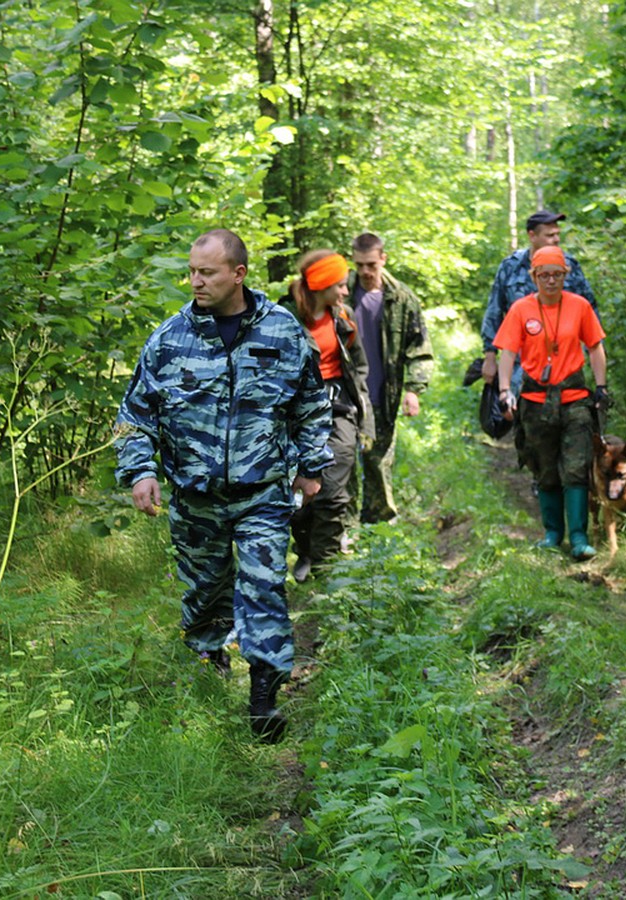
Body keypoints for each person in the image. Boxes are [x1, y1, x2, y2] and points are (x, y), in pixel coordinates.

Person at [114, 228, 333, 743]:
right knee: (205, 597)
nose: (195, 281)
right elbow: (134, 416)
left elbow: (312, 404)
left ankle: (264, 699)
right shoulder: (170, 339)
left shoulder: (282, 332)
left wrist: (311, 466)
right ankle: (208, 673)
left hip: (262, 494)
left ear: (238, 274)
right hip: (195, 498)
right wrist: (141, 470)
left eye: (207, 272)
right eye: (191, 271)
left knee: (262, 590)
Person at [494, 245, 609, 561]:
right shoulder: (520, 309)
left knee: (576, 467)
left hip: (574, 400)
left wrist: (601, 387)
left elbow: (596, 348)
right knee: (545, 469)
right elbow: (507, 353)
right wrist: (505, 390)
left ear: (565, 276)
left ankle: (579, 537)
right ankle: (552, 534)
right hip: (534, 401)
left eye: (557, 274)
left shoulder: (580, 306)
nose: (550, 281)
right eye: (544, 275)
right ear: (533, 276)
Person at [279, 250, 375, 582]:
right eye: (339, 284)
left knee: (334, 492)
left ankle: (327, 565)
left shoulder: (342, 317)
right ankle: (305, 550)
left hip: (339, 411)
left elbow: (359, 365)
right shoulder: (282, 319)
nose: (346, 291)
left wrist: (360, 407)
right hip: (294, 417)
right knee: (300, 493)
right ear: (320, 286)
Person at [345, 232, 434, 524]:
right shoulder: (340, 291)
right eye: (360, 265)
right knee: (342, 462)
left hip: (383, 393)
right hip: (345, 394)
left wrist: (414, 390)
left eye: (371, 264)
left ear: (383, 259)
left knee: (378, 460)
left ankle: (379, 528)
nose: (366, 272)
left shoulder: (402, 298)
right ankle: (342, 529)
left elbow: (419, 347)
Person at [479, 210, 599, 388]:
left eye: (558, 234)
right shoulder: (511, 266)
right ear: (532, 236)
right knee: (517, 413)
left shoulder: (569, 266)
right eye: (550, 235)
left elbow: (590, 311)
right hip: (519, 364)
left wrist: (595, 361)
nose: (556, 239)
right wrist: (490, 357)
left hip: (565, 367)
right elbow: (494, 311)